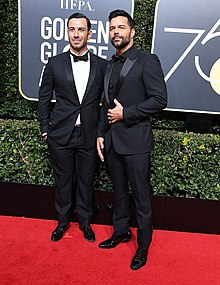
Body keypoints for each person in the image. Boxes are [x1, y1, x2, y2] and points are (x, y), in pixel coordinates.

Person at [97, 9, 167, 270]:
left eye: (121, 27)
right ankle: (121, 231)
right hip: (113, 141)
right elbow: (104, 106)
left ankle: (143, 246)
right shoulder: (108, 64)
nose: (116, 32)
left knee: (141, 196)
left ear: (132, 32)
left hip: (136, 141)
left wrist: (127, 113)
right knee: (119, 193)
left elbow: (160, 100)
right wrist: (101, 135)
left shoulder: (148, 61)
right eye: (112, 28)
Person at [38, 13, 107, 242]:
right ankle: (62, 222)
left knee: (86, 182)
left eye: (81, 30)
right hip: (60, 134)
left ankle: (86, 223)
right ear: (67, 32)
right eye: (72, 30)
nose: (76, 34)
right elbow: (44, 97)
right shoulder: (55, 63)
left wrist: (100, 133)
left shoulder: (102, 65)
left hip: (88, 134)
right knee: (63, 181)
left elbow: (105, 103)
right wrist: (45, 129)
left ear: (90, 33)